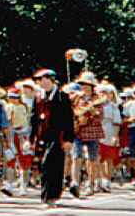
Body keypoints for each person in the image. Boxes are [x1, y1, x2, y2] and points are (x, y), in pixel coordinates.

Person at [30, 69, 74, 207]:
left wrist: (68, 139)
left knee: (52, 163)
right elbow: (34, 119)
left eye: (41, 79)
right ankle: (46, 195)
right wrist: (31, 139)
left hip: (58, 136)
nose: (39, 83)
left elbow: (68, 120)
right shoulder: (38, 97)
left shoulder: (62, 97)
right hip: (43, 135)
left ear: (50, 80)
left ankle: (52, 195)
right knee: (43, 165)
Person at [69, 72, 104, 198]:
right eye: (82, 84)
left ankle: (91, 182)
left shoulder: (97, 99)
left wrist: (92, 111)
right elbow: (70, 112)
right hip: (78, 130)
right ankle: (75, 182)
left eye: (87, 84)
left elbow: (99, 117)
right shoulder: (75, 98)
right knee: (76, 157)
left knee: (92, 159)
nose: (84, 87)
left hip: (92, 131)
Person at [95, 82, 122, 192]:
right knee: (96, 158)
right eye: (100, 92)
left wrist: (115, 136)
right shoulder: (94, 105)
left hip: (108, 133)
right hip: (96, 133)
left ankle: (106, 181)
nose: (103, 95)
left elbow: (117, 123)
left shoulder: (113, 107)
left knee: (108, 158)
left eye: (105, 93)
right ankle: (97, 180)